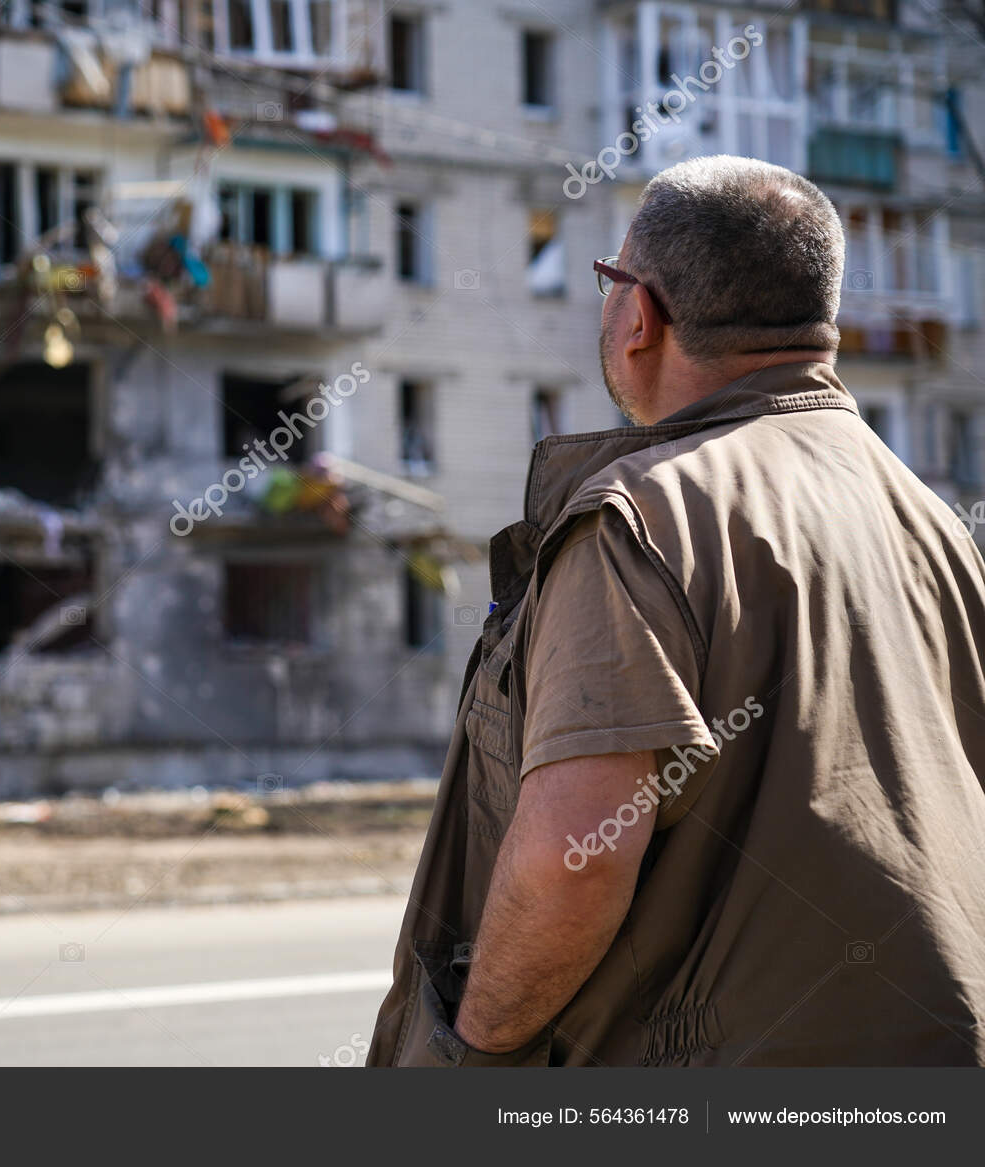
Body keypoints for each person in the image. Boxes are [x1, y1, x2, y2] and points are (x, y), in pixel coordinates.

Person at [368, 155, 985, 1066]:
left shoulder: (637, 518)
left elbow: (576, 854)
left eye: (609, 280)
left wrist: (470, 1055)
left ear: (640, 316)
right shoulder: (931, 519)